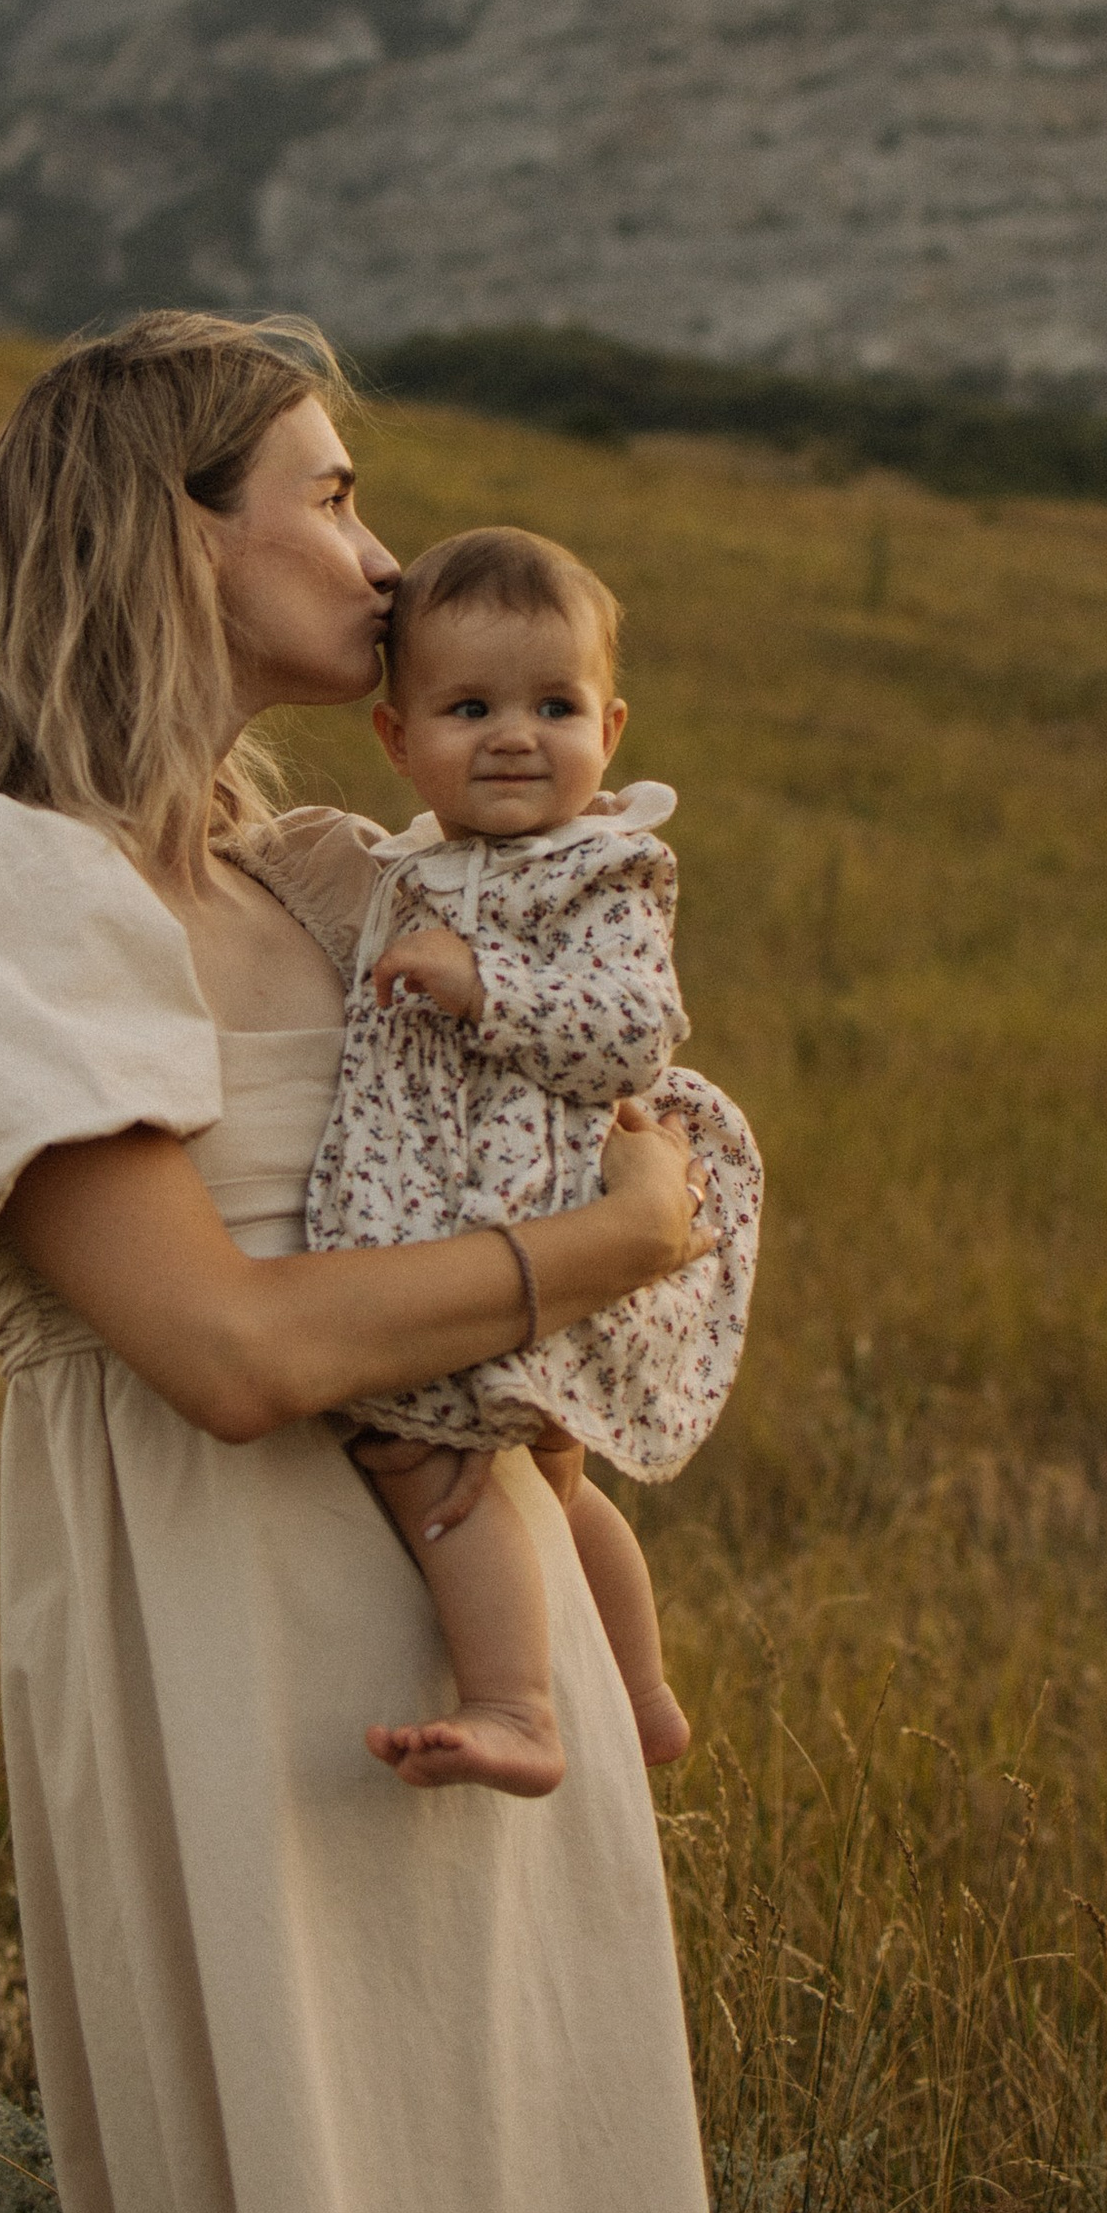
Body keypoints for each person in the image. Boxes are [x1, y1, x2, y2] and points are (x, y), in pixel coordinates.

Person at [0, 312, 739, 2213]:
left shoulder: (326, 885)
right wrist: (609, 1240)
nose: (383, 559)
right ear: (175, 533)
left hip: (487, 1632)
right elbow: (219, 1349)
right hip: (233, 1639)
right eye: (328, 492)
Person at [281, 524, 764, 1801]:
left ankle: (516, 1703)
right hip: (468, 1207)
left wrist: (483, 981)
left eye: (553, 705)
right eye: (469, 705)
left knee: (430, 1459)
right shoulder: (417, 862)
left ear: (609, 728)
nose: (513, 734)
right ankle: (645, 1694)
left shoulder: (604, 867)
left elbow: (636, 1027)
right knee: (552, 1477)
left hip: (526, 1213)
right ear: (398, 738)